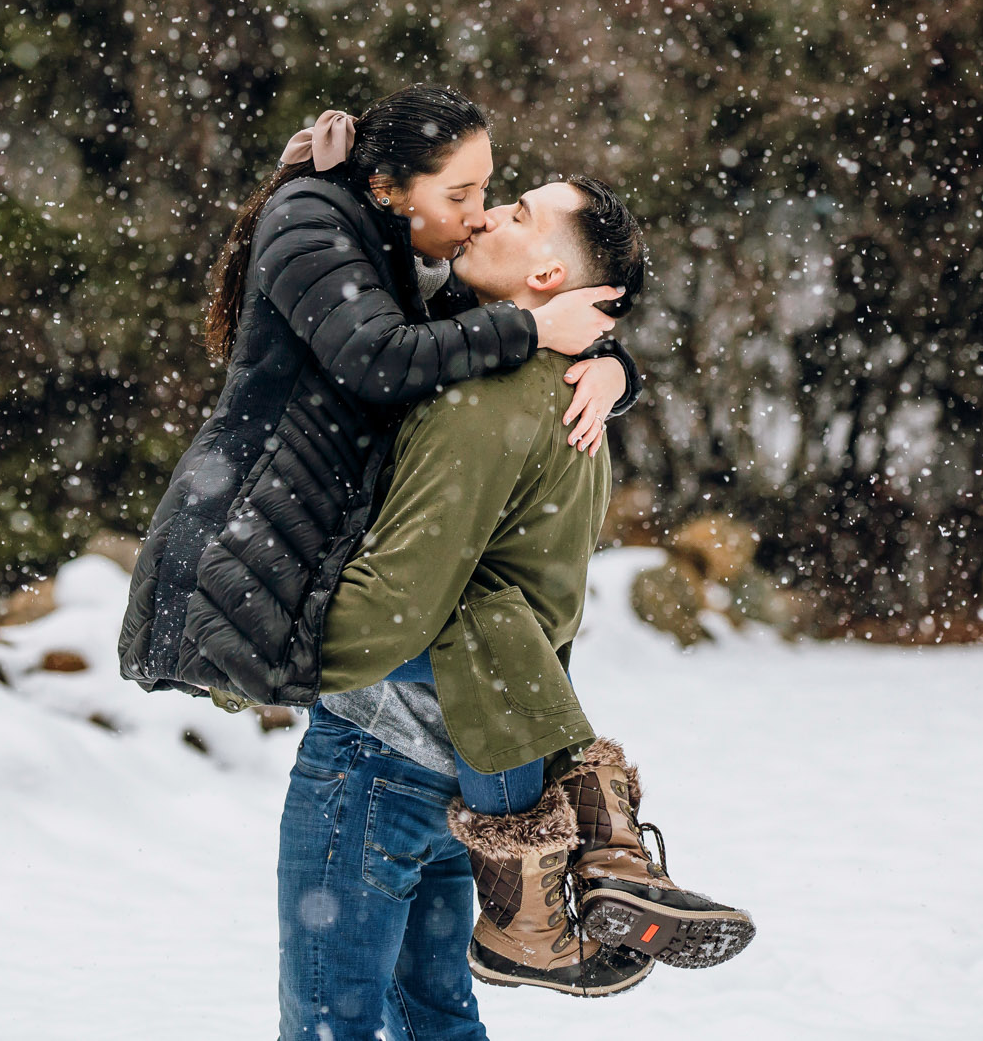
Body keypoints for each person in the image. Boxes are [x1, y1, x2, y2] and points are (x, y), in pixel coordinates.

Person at [278, 178, 754, 1041]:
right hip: (467, 766)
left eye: (520, 213)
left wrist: (266, 655)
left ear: (546, 272)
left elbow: (397, 607)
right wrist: (616, 361)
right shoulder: (566, 391)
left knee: (326, 1019)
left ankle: (575, 876)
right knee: (435, 1018)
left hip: (372, 755)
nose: (491, 213)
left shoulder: (480, 398)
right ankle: (585, 862)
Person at [118, 84, 637, 708]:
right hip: (243, 533)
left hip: (316, 537)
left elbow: (480, 328)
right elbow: (377, 357)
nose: (479, 213)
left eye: (485, 188)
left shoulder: (410, 251)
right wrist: (533, 327)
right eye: (458, 194)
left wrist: (611, 367)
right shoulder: (309, 217)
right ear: (391, 186)